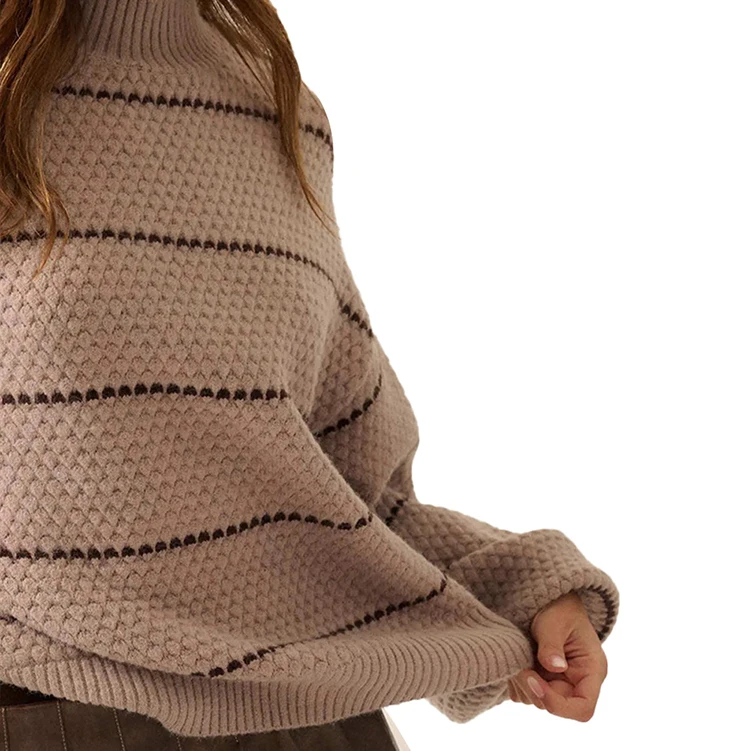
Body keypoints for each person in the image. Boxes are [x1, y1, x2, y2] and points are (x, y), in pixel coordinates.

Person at [0, 1, 619, 749]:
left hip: (312, 720)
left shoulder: (280, 111)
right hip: (44, 715)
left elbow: (348, 482)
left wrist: (519, 593)